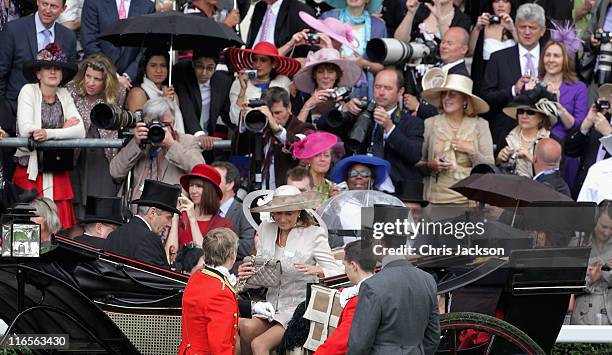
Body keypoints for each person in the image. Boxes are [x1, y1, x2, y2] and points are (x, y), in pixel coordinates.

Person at [238, 185, 343, 354]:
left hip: (298, 309)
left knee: (259, 344)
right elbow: (261, 268)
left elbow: (338, 271)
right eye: (278, 212)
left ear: (299, 211)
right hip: (270, 306)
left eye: (289, 213)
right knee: (244, 327)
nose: (282, 218)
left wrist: (317, 269)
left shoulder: (314, 234)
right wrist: (246, 274)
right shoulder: (266, 228)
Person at [13, 43, 84, 230]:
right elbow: (26, 129)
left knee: (56, 231)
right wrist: (63, 130)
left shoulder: (65, 95)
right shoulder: (28, 91)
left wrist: (48, 133)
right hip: (30, 171)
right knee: (26, 227)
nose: (53, 72)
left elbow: (80, 131)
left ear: (62, 75)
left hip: (56, 169)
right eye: (47, 68)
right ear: (38, 73)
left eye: (57, 69)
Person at [347, 231, 440, 354]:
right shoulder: (428, 280)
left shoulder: (372, 286)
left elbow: (359, 345)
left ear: (379, 242)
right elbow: (433, 337)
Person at [332, 68, 424, 186]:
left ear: (400, 91)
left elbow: (414, 155)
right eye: (377, 87)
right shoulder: (361, 113)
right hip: (359, 185)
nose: (381, 92)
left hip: (396, 188)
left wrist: (390, 128)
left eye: (387, 88)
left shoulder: (412, 122)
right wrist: (344, 109)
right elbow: (324, 127)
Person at [109, 97, 204, 203]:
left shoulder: (186, 141)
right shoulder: (139, 141)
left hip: (171, 211)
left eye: (164, 124)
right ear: (144, 122)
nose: (156, 128)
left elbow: (200, 169)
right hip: (137, 211)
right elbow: (115, 172)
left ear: (173, 122)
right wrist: (135, 144)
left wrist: (171, 145)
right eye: (151, 124)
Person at [66, 53, 126, 220]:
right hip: (77, 155)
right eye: (88, 76)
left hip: (104, 156)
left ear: (106, 81)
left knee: (101, 210)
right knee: (76, 211)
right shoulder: (71, 90)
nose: (91, 83)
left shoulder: (117, 93)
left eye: (97, 79)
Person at [418, 74, 494, 205]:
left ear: (465, 100)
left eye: (452, 94)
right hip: (436, 201)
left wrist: (472, 152)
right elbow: (418, 163)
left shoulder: (480, 125)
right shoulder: (430, 123)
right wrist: (432, 165)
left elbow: (490, 167)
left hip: (470, 201)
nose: (446, 98)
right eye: (444, 94)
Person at [481, 2, 547, 152]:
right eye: (523, 27)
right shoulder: (498, 58)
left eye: (533, 28)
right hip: (506, 133)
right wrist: (512, 90)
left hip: (543, 135)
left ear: (542, 31)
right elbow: (485, 96)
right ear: (516, 27)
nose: (527, 32)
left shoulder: (551, 57)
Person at [0, 0, 77, 122]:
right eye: (44, 4)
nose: (47, 10)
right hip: (13, 111)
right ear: (37, 2)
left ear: (63, 9)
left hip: (54, 117)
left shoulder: (69, 37)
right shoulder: (13, 30)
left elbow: (68, 78)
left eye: (54, 6)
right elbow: (1, 72)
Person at [234, 87, 314, 190]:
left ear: (289, 107)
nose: (272, 117)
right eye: (269, 113)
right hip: (257, 192)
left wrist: (277, 129)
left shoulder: (303, 128)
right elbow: (238, 150)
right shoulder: (260, 126)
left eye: (277, 113)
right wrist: (244, 122)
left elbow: (299, 147)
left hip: (286, 194)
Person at [537, 31, 588, 189]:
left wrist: (559, 108)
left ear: (565, 60)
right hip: (537, 150)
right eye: (548, 55)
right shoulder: (534, 84)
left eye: (556, 56)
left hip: (565, 153)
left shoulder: (578, 88)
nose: (551, 60)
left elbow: (578, 127)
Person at [178, 228, 241, 354]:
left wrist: (252, 308)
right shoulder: (221, 292)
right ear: (233, 254)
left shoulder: (197, 276)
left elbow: (206, 306)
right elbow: (219, 347)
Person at [314, 240, 376, 355]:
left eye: (345, 265)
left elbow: (338, 344)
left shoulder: (360, 300)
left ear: (353, 266)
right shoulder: (385, 288)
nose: (345, 270)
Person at [320, 0, 387, 98]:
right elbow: (318, 51)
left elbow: (381, 66)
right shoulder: (329, 18)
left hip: (363, 89)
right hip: (330, 82)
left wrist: (362, 63)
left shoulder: (378, 25)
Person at [105, 179, 180, 268]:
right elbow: (159, 279)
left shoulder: (113, 235)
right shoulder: (149, 239)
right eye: (168, 217)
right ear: (152, 212)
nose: (169, 224)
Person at [81, 0, 155, 89]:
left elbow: (145, 48)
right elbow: (89, 42)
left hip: (131, 82)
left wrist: (128, 76)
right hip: (97, 77)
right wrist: (114, 76)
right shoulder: (93, 2)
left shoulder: (147, 6)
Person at [226, 41, 301, 128]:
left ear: (273, 64)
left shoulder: (283, 82)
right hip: (248, 135)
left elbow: (285, 114)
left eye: (263, 60)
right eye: (255, 59)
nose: (257, 64)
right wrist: (243, 89)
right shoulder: (239, 83)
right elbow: (235, 119)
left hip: (276, 133)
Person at [172, 48, 231, 157]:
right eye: (199, 66)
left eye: (210, 68)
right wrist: (200, 135)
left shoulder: (224, 81)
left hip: (209, 145)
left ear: (216, 67)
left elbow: (228, 114)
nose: (204, 72)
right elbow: (186, 107)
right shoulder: (182, 75)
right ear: (193, 64)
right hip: (184, 141)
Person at [404, 27, 472, 120]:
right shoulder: (439, 67)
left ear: (464, 49)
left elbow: (448, 111)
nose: (444, 46)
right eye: (443, 42)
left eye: (450, 43)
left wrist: (418, 107)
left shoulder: (460, 76)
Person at [166, 164, 233, 254]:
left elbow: (207, 258)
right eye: (191, 185)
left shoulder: (223, 225)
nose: (193, 191)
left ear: (210, 190)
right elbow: (170, 256)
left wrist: (193, 220)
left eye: (199, 186)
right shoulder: (181, 218)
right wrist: (175, 219)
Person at [496, 87, 557, 178]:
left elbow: (554, 176)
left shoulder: (551, 141)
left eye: (530, 112)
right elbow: (496, 172)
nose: (524, 116)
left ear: (541, 117)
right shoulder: (506, 137)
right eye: (520, 111)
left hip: (538, 190)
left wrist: (531, 159)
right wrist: (499, 159)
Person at [565, 84, 612, 198]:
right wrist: (587, 123)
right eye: (611, 95)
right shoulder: (600, 121)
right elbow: (570, 150)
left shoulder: (604, 126)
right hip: (584, 191)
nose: (611, 97)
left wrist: (609, 134)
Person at [291, 48, 362, 124]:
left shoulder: (346, 100)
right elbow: (296, 129)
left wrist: (342, 108)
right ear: (314, 75)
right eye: (320, 72)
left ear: (337, 75)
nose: (325, 76)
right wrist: (308, 104)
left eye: (331, 72)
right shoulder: (302, 99)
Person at [126, 48, 185, 133]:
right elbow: (141, 126)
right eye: (153, 65)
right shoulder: (137, 93)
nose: (159, 70)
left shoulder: (172, 95)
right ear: (144, 68)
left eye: (163, 65)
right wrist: (162, 101)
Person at [571, 202, 612, 325]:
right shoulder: (577, 244)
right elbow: (566, 282)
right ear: (594, 221)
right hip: (583, 316)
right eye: (604, 227)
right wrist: (590, 279)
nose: (607, 233)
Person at [211, 161, 256, 267]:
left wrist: (216, 244)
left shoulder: (244, 212)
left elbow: (247, 247)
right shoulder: (204, 209)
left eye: (216, 178)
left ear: (230, 184)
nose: (210, 182)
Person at [469, 0, 518, 96]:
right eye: (496, 1)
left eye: (505, 1)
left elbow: (526, 49)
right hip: (487, 79)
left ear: (511, 4)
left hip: (512, 77)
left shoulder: (518, 25)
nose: (500, 5)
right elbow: (470, 51)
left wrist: (512, 29)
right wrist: (477, 28)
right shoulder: (483, 26)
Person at [245, 0, 314, 57]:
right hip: (253, 64)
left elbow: (309, 53)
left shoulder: (300, 10)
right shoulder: (260, 7)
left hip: (282, 69)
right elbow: (251, 42)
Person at [394, 0, 471, 44]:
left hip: (441, 69)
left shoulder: (462, 19)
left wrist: (441, 21)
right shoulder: (421, 8)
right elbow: (400, 41)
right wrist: (410, 13)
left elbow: (453, 47)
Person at [292, 131, 339, 199]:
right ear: (308, 159)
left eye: (326, 155)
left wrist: (332, 200)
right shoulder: (299, 183)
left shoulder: (332, 187)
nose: (322, 159)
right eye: (317, 155)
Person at [328, 154, 393, 191]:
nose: (359, 177)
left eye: (365, 174)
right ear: (346, 180)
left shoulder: (380, 202)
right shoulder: (338, 201)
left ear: (372, 181)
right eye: (353, 174)